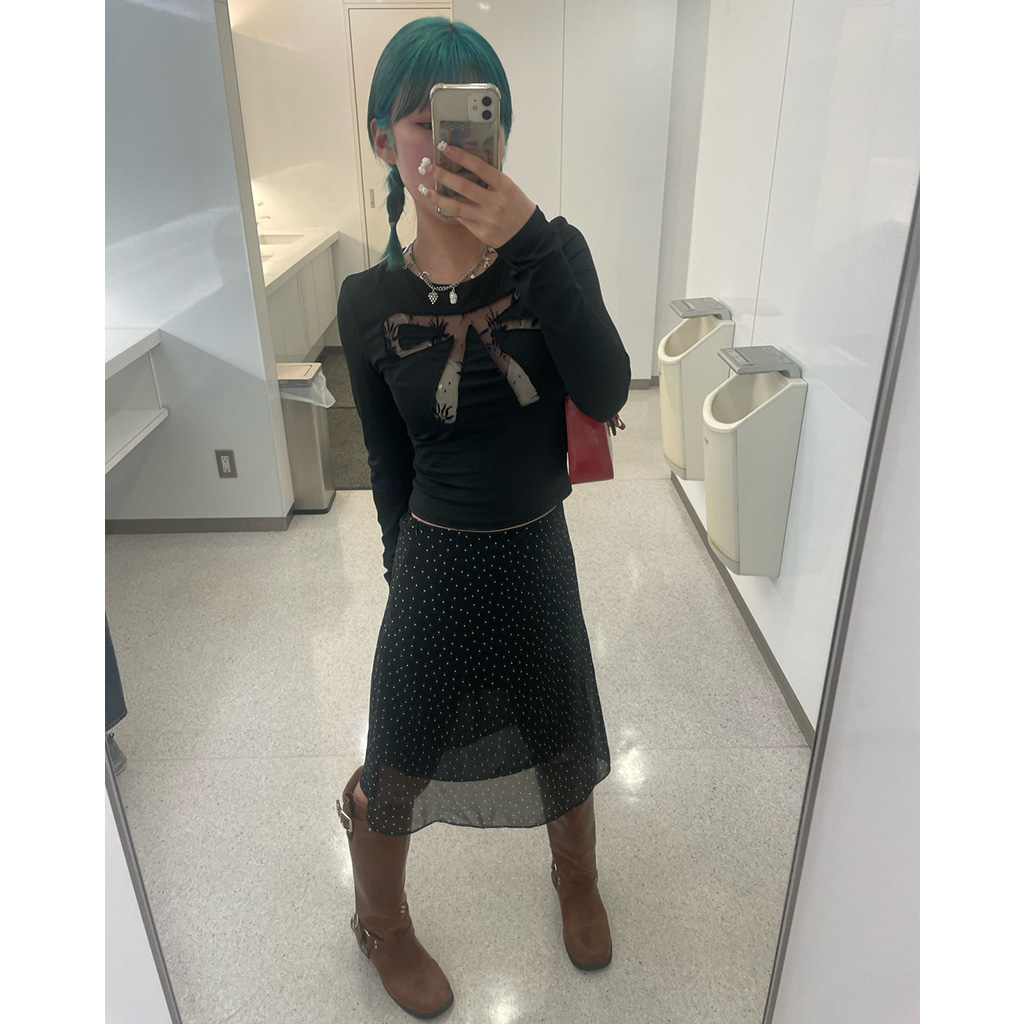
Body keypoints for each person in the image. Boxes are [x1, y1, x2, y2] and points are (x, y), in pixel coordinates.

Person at [335, 17, 630, 1019]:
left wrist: (529, 240)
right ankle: (381, 925)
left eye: (476, 118)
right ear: (384, 141)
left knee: (561, 731)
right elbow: (387, 463)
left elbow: (606, 387)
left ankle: (576, 877)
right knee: (398, 756)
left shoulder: (553, 252)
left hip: (539, 550)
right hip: (433, 558)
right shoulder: (367, 300)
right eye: (425, 122)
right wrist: (401, 576)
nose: (454, 144)